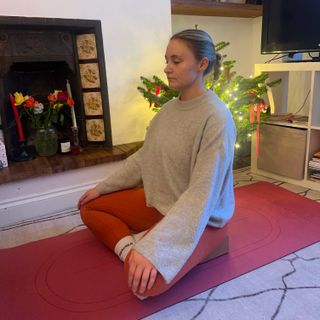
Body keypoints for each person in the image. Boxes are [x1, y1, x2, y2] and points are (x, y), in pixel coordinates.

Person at [78, 29, 236, 299]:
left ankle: (153, 245)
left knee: (143, 287)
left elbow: (201, 194)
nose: (167, 68)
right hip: (162, 205)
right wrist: (103, 188)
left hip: (200, 219)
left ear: (202, 64)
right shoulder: (166, 111)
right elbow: (143, 158)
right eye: (167, 60)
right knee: (89, 206)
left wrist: (154, 248)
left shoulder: (217, 117)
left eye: (176, 61)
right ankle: (133, 249)